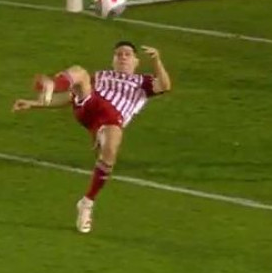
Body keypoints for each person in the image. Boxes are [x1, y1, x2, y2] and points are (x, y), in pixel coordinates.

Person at [12, 41, 171, 233]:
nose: (122, 57)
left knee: (110, 150)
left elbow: (164, 85)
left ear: (136, 61)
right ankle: (53, 84)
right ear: (113, 60)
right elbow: (70, 97)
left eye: (127, 54)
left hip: (111, 119)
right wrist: (35, 104)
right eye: (118, 54)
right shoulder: (101, 76)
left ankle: (87, 203)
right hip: (89, 105)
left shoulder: (142, 82)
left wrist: (156, 60)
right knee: (80, 73)